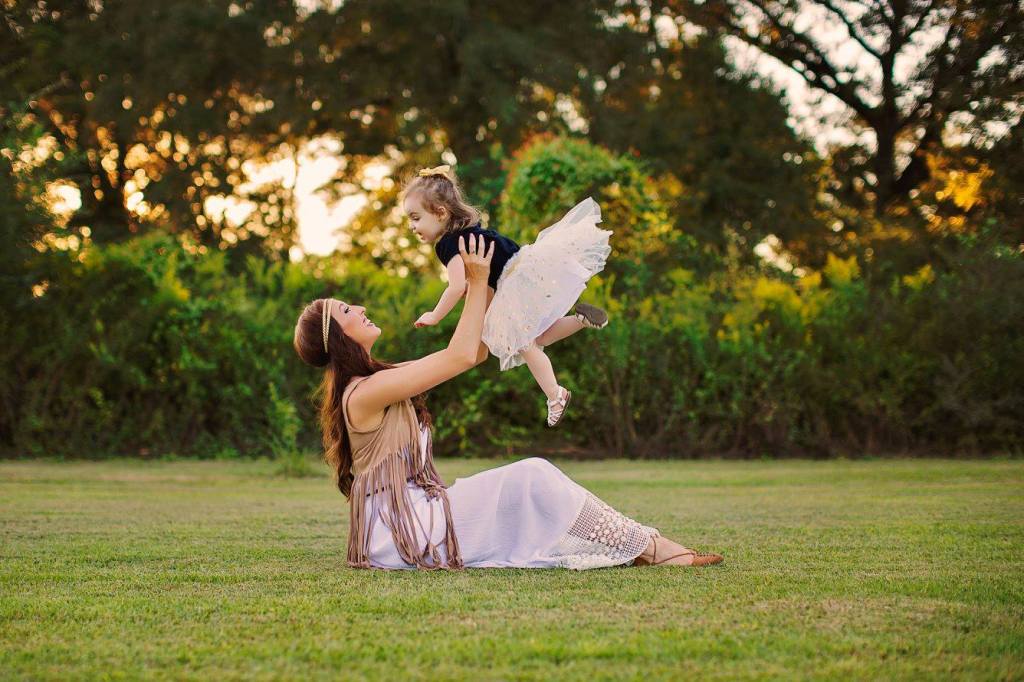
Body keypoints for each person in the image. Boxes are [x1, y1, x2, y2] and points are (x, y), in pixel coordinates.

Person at [293, 233, 723, 570]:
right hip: (402, 529)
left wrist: (492, 282)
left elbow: (477, 351)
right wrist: (476, 282)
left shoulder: (378, 379)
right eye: (347, 311)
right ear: (339, 338)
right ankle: (649, 548)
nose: (360, 307)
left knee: (526, 482)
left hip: (414, 516)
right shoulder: (365, 392)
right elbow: (460, 356)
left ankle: (643, 546)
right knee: (532, 475)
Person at [403, 163, 612, 427]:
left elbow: (454, 287)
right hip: (526, 266)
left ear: (440, 212)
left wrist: (434, 315)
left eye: (415, 218)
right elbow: (473, 278)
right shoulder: (469, 231)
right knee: (539, 336)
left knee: (524, 342)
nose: (412, 226)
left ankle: (555, 395)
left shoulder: (447, 244)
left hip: (512, 282)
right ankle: (580, 320)